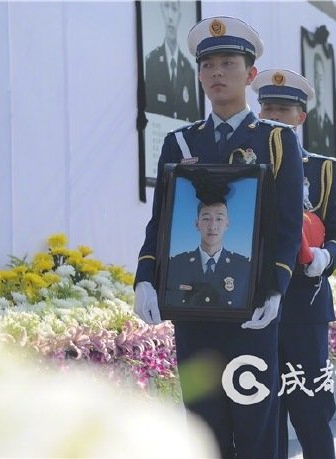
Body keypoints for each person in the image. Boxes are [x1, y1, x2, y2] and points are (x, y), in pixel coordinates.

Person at [133, 16, 304, 458]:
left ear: (250, 75)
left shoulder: (278, 141)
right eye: (207, 65)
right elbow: (161, 222)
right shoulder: (180, 142)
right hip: (192, 314)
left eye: (228, 63)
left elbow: (287, 226)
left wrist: (276, 288)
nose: (216, 74)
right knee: (204, 429)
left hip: (251, 314)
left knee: (255, 426)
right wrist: (146, 278)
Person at [251, 68, 336, 459]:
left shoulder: (323, 169)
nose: (274, 116)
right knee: (262, 407)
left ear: (300, 117)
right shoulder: (244, 161)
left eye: (284, 109)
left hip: (304, 304)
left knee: (310, 407)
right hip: (255, 299)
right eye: (268, 108)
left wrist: (326, 258)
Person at [165, 199, 250, 310]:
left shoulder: (243, 267)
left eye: (219, 219)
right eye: (206, 219)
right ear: (197, 224)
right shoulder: (177, 264)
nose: (212, 226)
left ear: (227, 224)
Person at [144, 0, 200, 121]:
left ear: (179, 16)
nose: (170, 17)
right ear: (162, 12)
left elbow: (194, 120)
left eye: (174, 9)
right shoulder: (151, 63)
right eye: (167, 7)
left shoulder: (189, 71)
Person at [305, 52, 336, 157]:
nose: (318, 83)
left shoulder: (330, 125)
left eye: (321, 78)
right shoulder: (309, 117)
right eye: (316, 77)